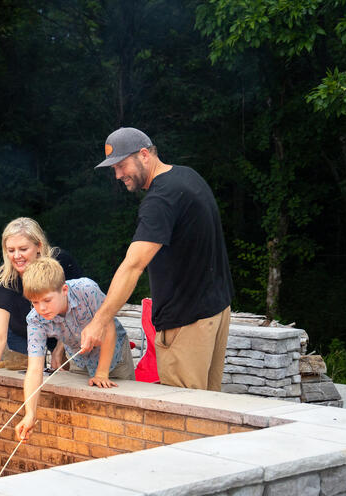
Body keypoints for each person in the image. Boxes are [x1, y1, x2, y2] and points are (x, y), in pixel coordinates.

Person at [80, 127, 233, 391]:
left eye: (121, 165)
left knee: (184, 412)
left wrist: (99, 321)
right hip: (216, 310)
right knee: (209, 409)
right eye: (113, 169)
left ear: (144, 155)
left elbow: (133, 266)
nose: (117, 175)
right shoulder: (188, 176)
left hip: (187, 321)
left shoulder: (160, 200)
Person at [14, 257, 134, 440]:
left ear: (64, 290)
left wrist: (102, 373)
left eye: (47, 300)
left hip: (114, 355)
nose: (42, 308)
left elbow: (108, 328)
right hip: (79, 358)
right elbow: (35, 368)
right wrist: (30, 413)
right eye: (35, 302)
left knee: (124, 411)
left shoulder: (86, 290)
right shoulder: (35, 320)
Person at [0, 218, 82, 403]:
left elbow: (78, 311)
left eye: (23, 249)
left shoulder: (61, 263)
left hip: (69, 330)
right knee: (31, 376)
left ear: (39, 246)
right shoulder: (4, 280)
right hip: (23, 332)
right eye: (11, 250)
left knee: (69, 379)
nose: (17, 256)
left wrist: (60, 348)